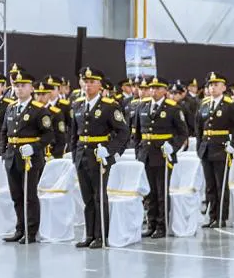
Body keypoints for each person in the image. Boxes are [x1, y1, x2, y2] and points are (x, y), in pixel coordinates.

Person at [71, 67, 130, 248]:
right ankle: (89, 234)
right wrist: (75, 154)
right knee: (87, 198)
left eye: (92, 82)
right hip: (82, 155)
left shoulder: (109, 106)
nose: (88, 85)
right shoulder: (78, 104)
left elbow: (123, 131)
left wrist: (110, 150)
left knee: (99, 197)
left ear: (100, 85)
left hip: (100, 157)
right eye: (85, 82)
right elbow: (73, 134)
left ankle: (101, 235)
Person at [134, 74, 190, 239]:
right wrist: (139, 152)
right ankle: (151, 224)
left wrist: (172, 146)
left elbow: (183, 132)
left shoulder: (173, 108)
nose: (153, 91)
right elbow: (137, 133)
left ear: (165, 90)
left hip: (163, 155)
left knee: (160, 191)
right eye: (151, 87)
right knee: (149, 192)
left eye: (157, 88)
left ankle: (161, 225)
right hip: (146, 154)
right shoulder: (142, 107)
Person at [3, 69, 54, 243]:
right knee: (16, 195)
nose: (19, 89)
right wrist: (4, 153)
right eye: (16, 85)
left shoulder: (39, 110)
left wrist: (34, 147)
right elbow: (4, 132)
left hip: (29, 159)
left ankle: (31, 231)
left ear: (31, 88)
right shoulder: (10, 108)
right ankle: (20, 228)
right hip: (12, 156)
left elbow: (48, 135)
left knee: (29, 195)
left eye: (23, 85)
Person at [196, 72, 234, 228]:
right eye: (210, 84)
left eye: (216, 84)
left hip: (221, 149)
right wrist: (199, 147)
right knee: (210, 186)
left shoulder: (229, 105)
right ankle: (212, 216)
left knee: (220, 184)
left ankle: (221, 217)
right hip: (206, 148)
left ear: (223, 87)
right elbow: (198, 128)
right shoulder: (204, 104)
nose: (212, 87)